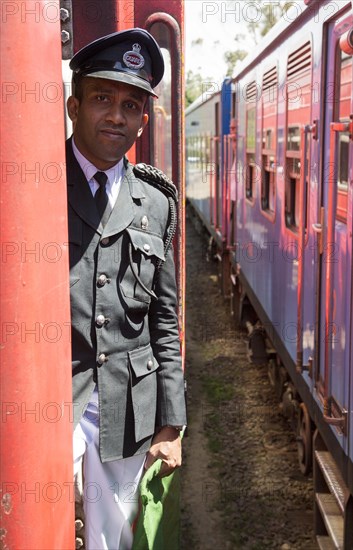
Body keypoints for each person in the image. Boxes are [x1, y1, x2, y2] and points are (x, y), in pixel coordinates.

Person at [66, 28, 187, 550]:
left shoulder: (155, 203)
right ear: (74, 106)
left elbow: (164, 321)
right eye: (102, 98)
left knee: (116, 543)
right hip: (52, 408)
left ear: (143, 120)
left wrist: (172, 424)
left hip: (128, 418)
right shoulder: (30, 186)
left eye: (131, 105)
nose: (116, 115)